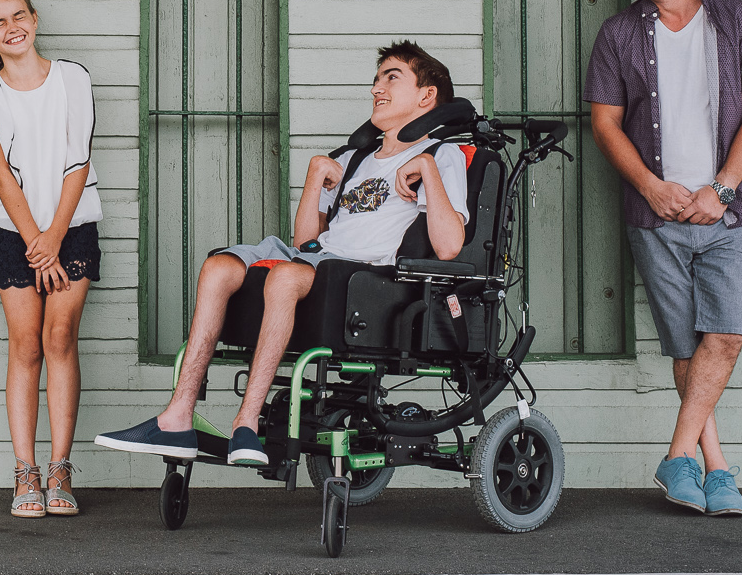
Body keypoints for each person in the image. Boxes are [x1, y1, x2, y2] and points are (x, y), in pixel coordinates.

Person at [97, 42, 468, 470]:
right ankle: (178, 416)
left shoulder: (443, 156)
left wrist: (428, 170)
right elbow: (308, 241)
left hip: (367, 277)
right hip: (319, 258)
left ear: (427, 96)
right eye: (376, 78)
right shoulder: (356, 157)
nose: (376, 89)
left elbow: (448, 246)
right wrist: (315, 177)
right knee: (218, 267)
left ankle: (246, 423)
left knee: (285, 277)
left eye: (392, 77)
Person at [585, 0, 742, 518]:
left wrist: (719, 189)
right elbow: (604, 122)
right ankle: (714, 468)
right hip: (659, 216)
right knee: (687, 349)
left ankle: (677, 456)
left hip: (729, 212)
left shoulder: (739, 21)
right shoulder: (619, 35)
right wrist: (649, 186)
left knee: (724, 336)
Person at [0, 0, 101, 519]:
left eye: (18, 15)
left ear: (35, 18)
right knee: (25, 345)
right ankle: (25, 472)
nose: (11, 27)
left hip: (72, 227)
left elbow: (78, 160)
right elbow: (1, 174)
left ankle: (60, 468)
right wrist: (33, 242)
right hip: (13, 231)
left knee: (60, 337)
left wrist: (52, 240)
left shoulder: (73, 79)